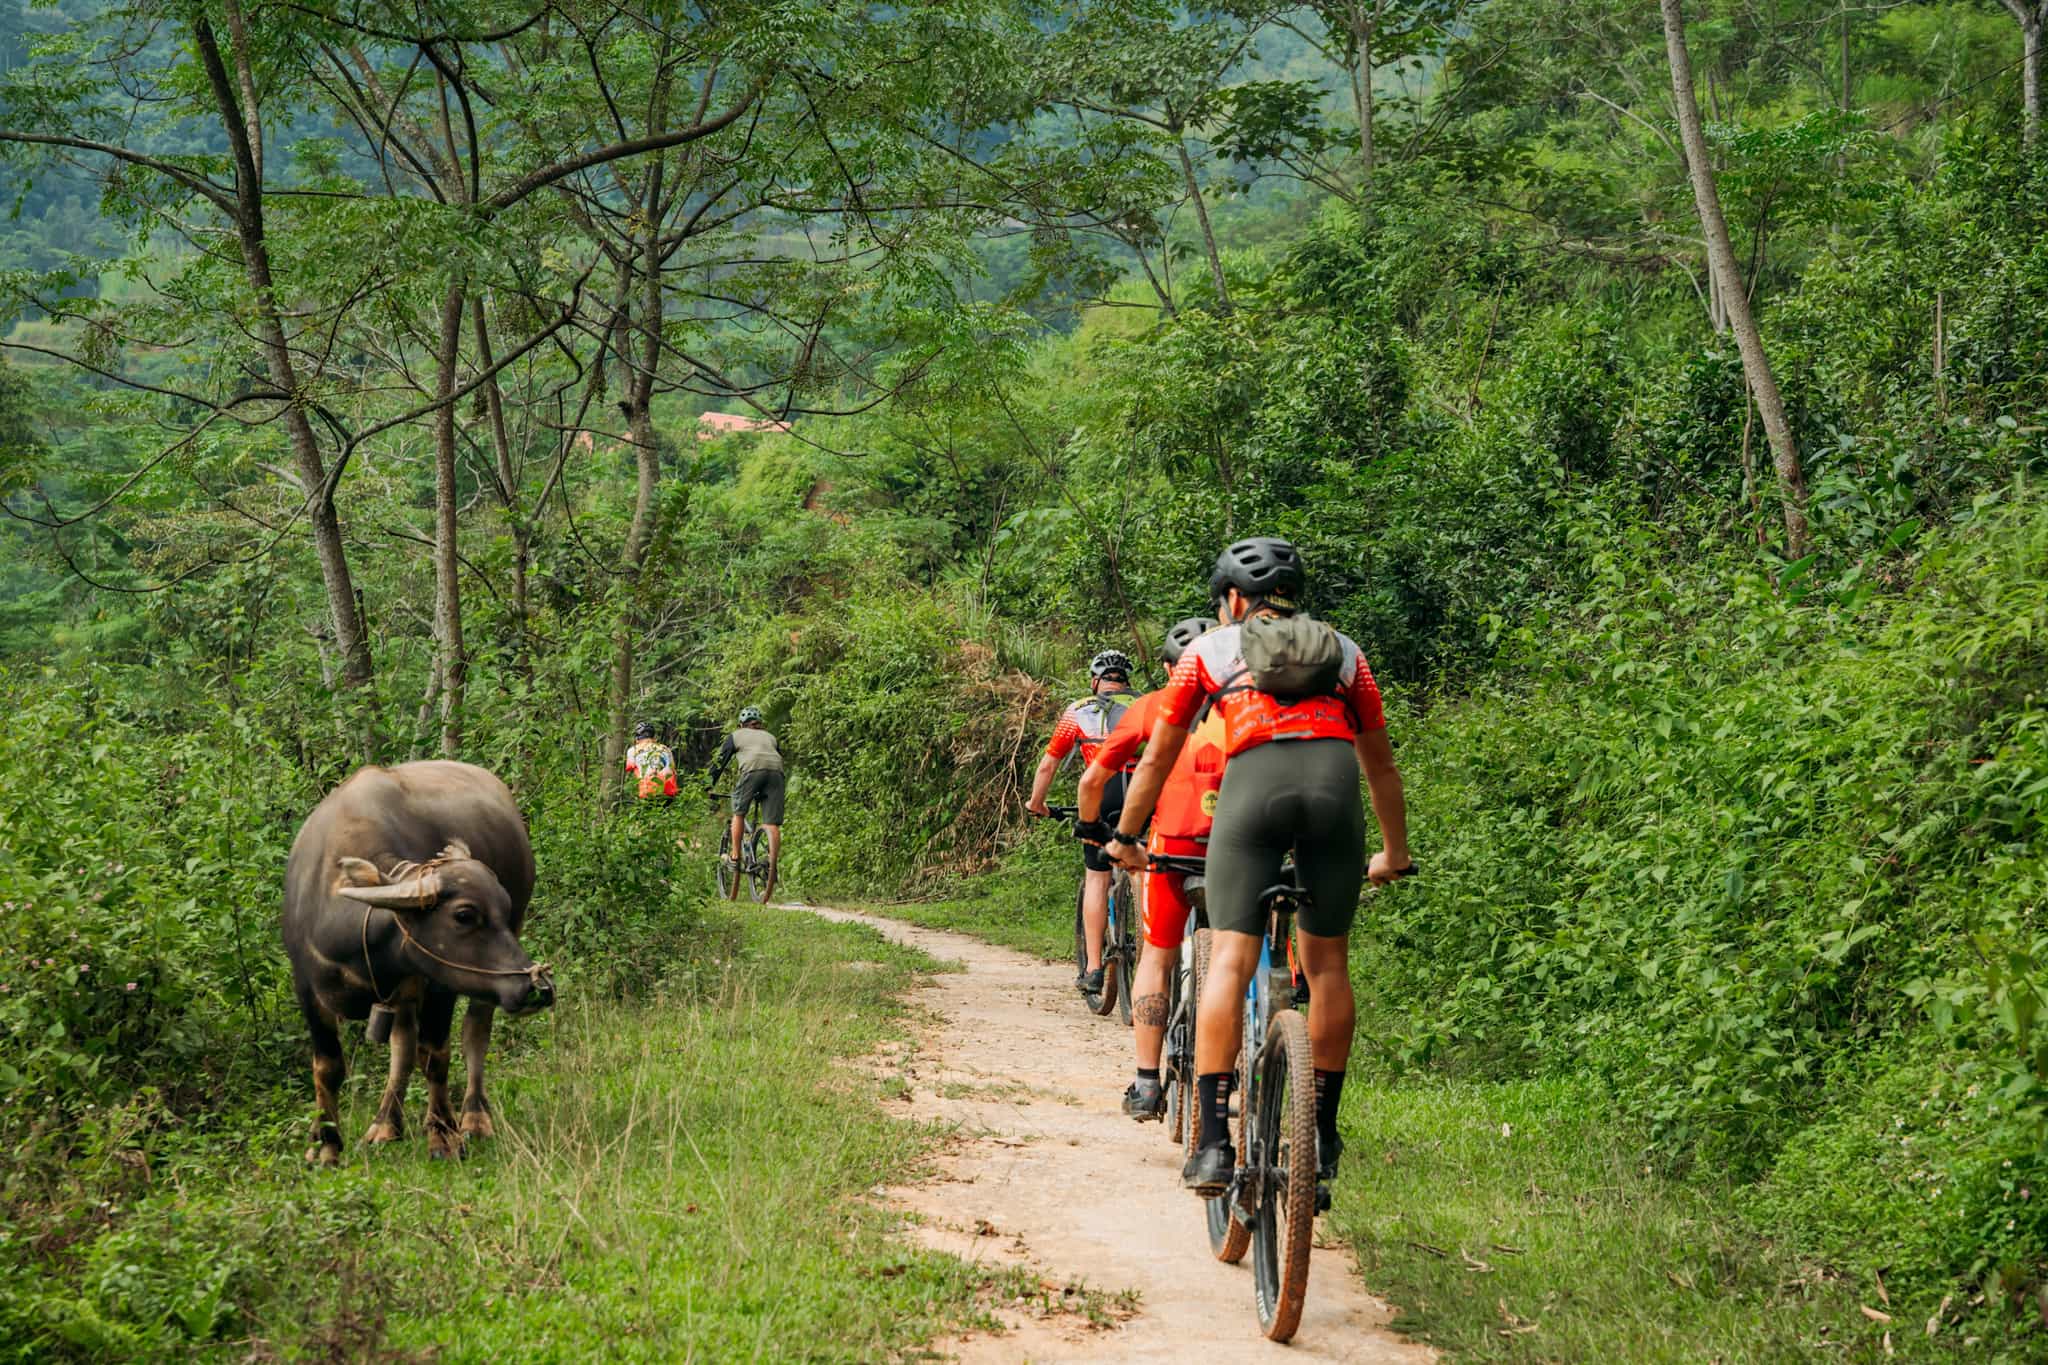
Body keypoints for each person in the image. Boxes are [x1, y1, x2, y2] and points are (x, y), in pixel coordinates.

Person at [1104, 537, 1413, 1199]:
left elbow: (1157, 757)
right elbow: (1381, 766)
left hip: (1252, 797)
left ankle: (1213, 1143)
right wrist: (1394, 853)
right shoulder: (1346, 652)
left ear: (1235, 600)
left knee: (1230, 960)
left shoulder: (1209, 652)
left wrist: (1128, 835)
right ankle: (1321, 1133)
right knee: (1327, 966)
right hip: (1334, 798)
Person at [1077, 617, 1222, 1121]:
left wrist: (1107, 836)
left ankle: (1145, 1081)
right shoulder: (1254, 702)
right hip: (1238, 843)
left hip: (1172, 842)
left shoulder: (1153, 705)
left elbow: (1096, 777)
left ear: (1167, 669)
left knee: (1158, 954)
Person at [1025, 649, 1137, 998]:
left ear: (1095, 680)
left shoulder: (1077, 711)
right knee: (1142, 869)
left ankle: (1092, 969)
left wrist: (1036, 803)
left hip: (1099, 795)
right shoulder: (1147, 705)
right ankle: (1152, 950)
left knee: (1097, 878)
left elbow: (1048, 765)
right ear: (1126, 681)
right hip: (1140, 793)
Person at [706, 706, 786, 900]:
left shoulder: (736, 735)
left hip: (752, 771)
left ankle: (735, 856)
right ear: (760, 724)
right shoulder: (770, 737)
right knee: (772, 823)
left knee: (739, 812)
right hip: (776, 774)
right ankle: (772, 862)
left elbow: (720, 763)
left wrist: (707, 785)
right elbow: (775, 758)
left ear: (741, 724)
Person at [624, 721, 678, 800]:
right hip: (669, 791)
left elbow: (630, 769)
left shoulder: (633, 750)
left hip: (648, 791)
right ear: (653, 737)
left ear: (637, 738)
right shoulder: (666, 749)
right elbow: (673, 770)